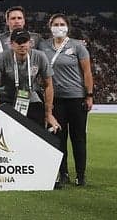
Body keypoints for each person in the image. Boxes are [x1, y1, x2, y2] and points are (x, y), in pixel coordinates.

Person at [38, 14, 93, 186]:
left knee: (78, 138)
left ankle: (81, 175)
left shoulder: (77, 46)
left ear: (68, 27)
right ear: (50, 26)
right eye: (55, 24)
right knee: (59, 138)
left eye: (62, 24)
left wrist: (89, 95)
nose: (59, 26)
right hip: (55, 100)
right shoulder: (43, 45)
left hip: (76, 98)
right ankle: (63, 173)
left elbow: (87, 72)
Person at [0, 29, 60, 130]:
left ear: (30, 43)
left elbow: (48, 85)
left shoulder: (40, 56)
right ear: (11, 44)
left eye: (25, 41)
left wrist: (49, 114)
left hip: (31, 99)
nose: (22, 45)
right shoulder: (3, 57)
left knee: (37, 135)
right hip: (7, 100)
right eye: (18, 42)